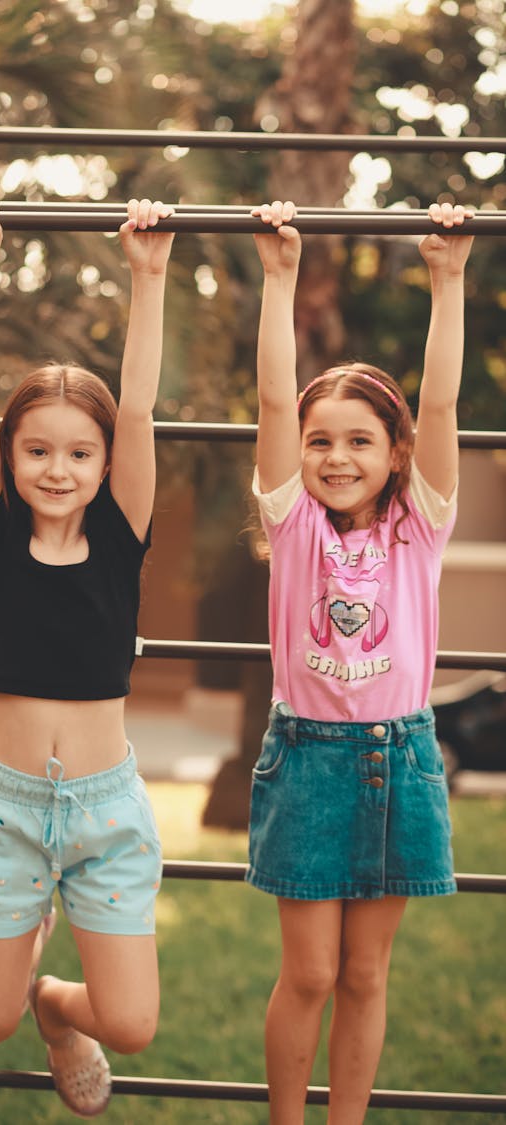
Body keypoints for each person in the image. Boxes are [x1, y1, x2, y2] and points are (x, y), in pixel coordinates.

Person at [0, 194, 175, 1118]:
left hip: (106, 810)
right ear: (11, 455)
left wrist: (148, 277)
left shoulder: (122, 536)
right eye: (36, 449)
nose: (56, 467)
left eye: (80, 452)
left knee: (131, 1023)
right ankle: (24, 994)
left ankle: (58, 1000)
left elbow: (146, 403)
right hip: (6, 807)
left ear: (104, 461)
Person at [247, 198, 474, 1124]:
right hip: (308, 759)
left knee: (366, 973)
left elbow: (444, 400)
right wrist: (278, 274)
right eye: (320, 440)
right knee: (308, 971)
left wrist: (448, 279)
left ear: (394, 454)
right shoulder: (292, 523)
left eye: (360, 440)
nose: (337, 456)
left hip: (400, 756)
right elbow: (269, 398)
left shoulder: (421, 525)